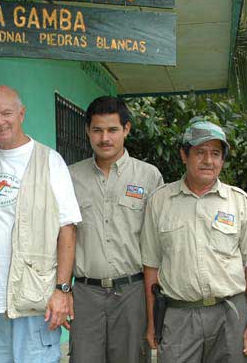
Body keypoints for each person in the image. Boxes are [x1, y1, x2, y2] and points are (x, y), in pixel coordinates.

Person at [0, 85, 81, 363]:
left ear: (22, 113)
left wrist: (62, 290)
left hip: (34, 299)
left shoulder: (50, 161)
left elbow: (68, 229)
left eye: (7, 113)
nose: (0, 121)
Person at [141, 119, 247, 363]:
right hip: (178, 316)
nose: (208, 160)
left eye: (216, 153)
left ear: (222, 160)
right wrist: (151, 323)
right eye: (200, 152)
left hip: (230, 315)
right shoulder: (160, 202)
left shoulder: (239, 202)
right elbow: (151, 268)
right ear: (183, 155)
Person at [68, 96, 163, 363]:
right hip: (85, 295)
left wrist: (153, 306)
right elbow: (61, 237)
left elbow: (157, 244)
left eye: (112, 130)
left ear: (127, 129)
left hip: (132, 293)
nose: (104, 138)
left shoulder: (149, 177)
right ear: (87, 131)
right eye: (97, 130)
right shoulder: (70, 177)